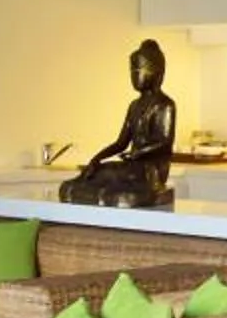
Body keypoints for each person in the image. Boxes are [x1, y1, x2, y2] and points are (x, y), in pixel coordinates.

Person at [59, 39, 177, 208]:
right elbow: (121, 142)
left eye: (139, 71)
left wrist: (138, 153)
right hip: (132, 164)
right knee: (100, 171)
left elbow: (164, 143)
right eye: (132, 71)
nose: (135, 77)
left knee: (115, 176)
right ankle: (91, 188)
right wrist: (97, 159)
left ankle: (106, 191)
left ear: (155, 72)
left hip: (152, 170)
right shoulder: (134, 106)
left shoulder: (164, 104)